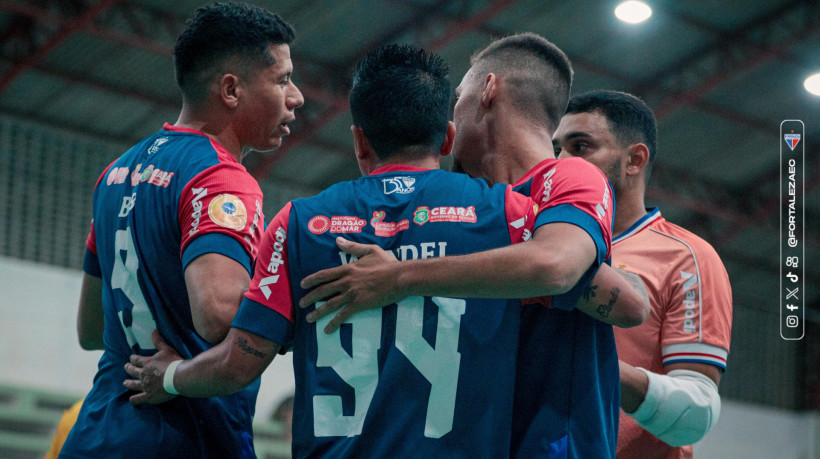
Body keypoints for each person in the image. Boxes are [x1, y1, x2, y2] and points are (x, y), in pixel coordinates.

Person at [125, 43, 542, 458]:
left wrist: (170, 377)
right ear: (447, 139)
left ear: (360, 142)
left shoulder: (299, 224)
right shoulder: (508, 215)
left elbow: (236, 364)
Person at [298, 33, 642, 458]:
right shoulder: (472, 205)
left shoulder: (567, 178)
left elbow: (561, 268)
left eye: (458, 97)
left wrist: (399, 276)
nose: (450, 117)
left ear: (488, 90)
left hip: (556, 444)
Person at [60, 3, 303, 458]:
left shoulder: (115, 173)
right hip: (182, 438)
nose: (297, 97)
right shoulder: (220, 178)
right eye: (283, 79)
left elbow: (92, 330)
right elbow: (218, 314)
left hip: (96, 434)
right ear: (231, 89)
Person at [552, 90, 733, 458]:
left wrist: (594, 368)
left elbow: (694, 414)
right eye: (556, 148)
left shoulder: (686, 258)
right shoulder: (538, 243)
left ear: (634, 160)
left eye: (581, 146)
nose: (560, 162)